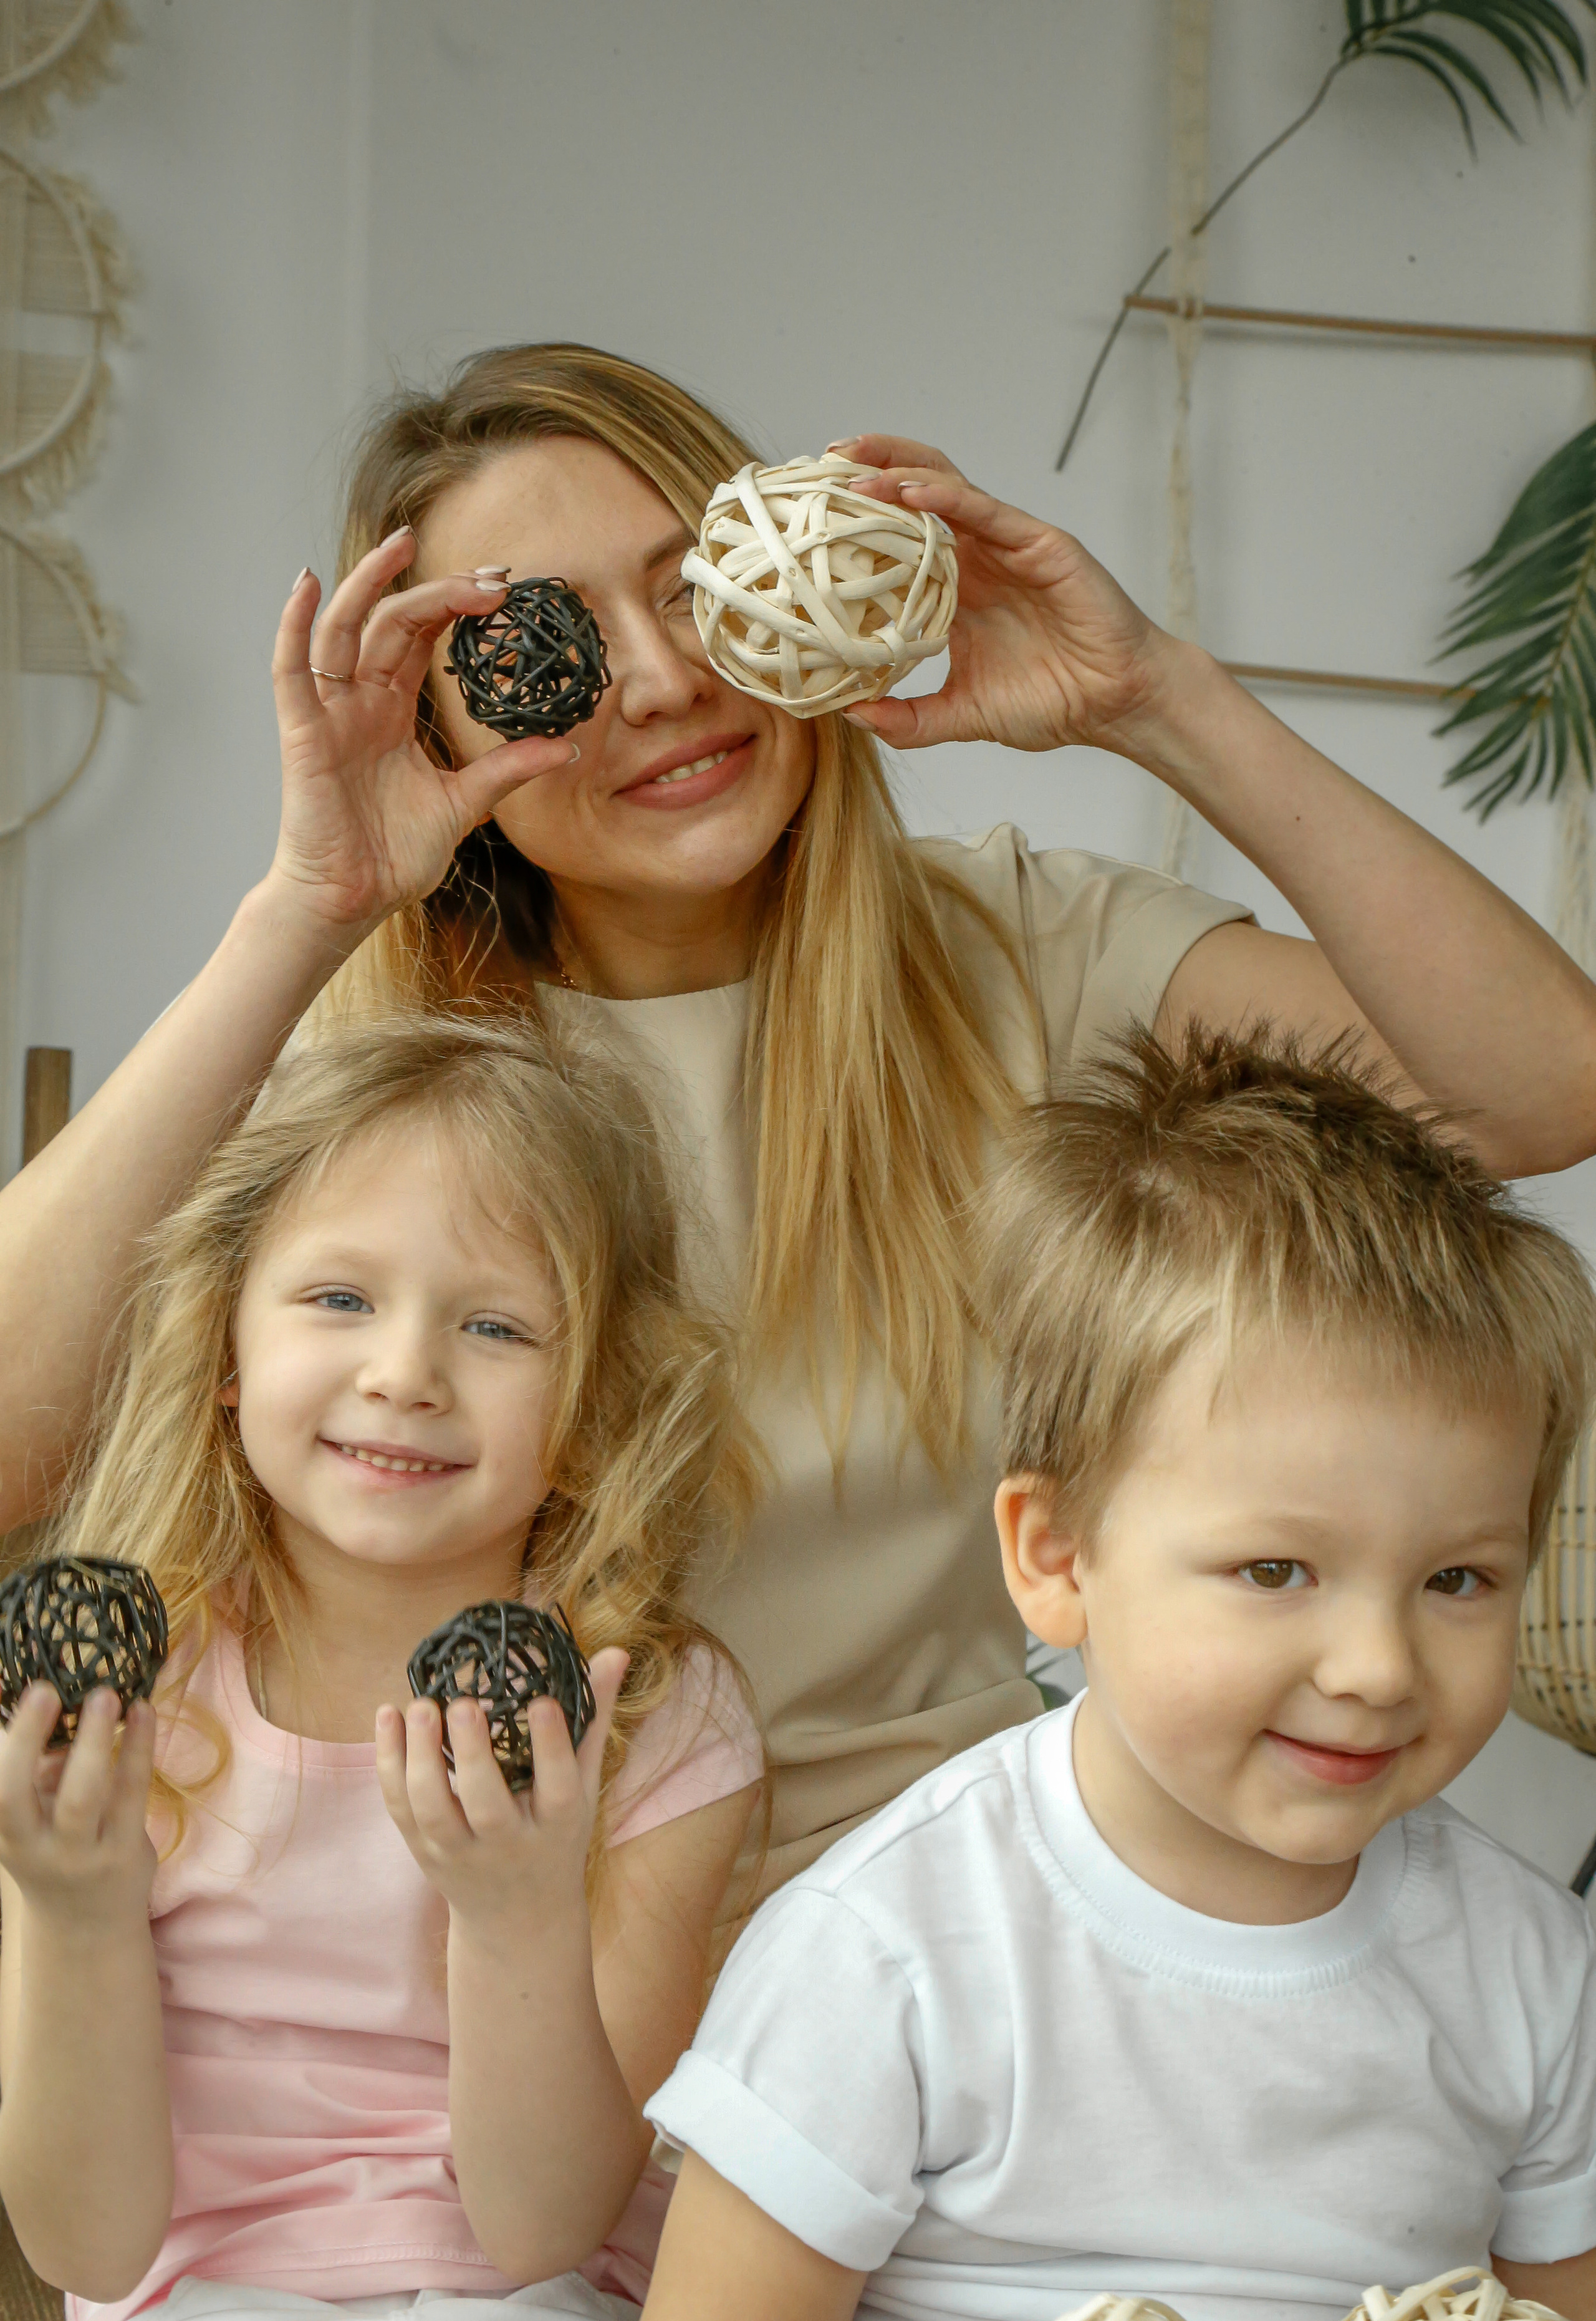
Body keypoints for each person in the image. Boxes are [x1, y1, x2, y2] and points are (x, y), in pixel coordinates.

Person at [0, 345, 1592, 1896]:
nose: (661, 677)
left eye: (695, 588)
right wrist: (308, 909)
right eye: (542, 642)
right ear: (437, 726)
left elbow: (1535, 1089)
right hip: (485, 1931)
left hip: (938, 1913)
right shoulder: (388, 1082)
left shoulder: (1022, 956)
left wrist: (1153, 700)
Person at [630, 1027, 1596, 2321]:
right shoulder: (888, 1949)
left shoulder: (1529, 1968)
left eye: (1455, 1579)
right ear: (1056, 1558)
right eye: (1275, 1571)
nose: (1378, 1666)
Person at [0, 1011, 763, 2321]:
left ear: (595, 1406)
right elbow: (89, 2247)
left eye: (493, 1326)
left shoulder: (654, 1718)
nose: (403, 1372)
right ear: (224, 1345)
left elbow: (540, 2229)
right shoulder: (124, 1699)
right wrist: (70, 1905)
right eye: (339, 1299)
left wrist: (516, 1904)